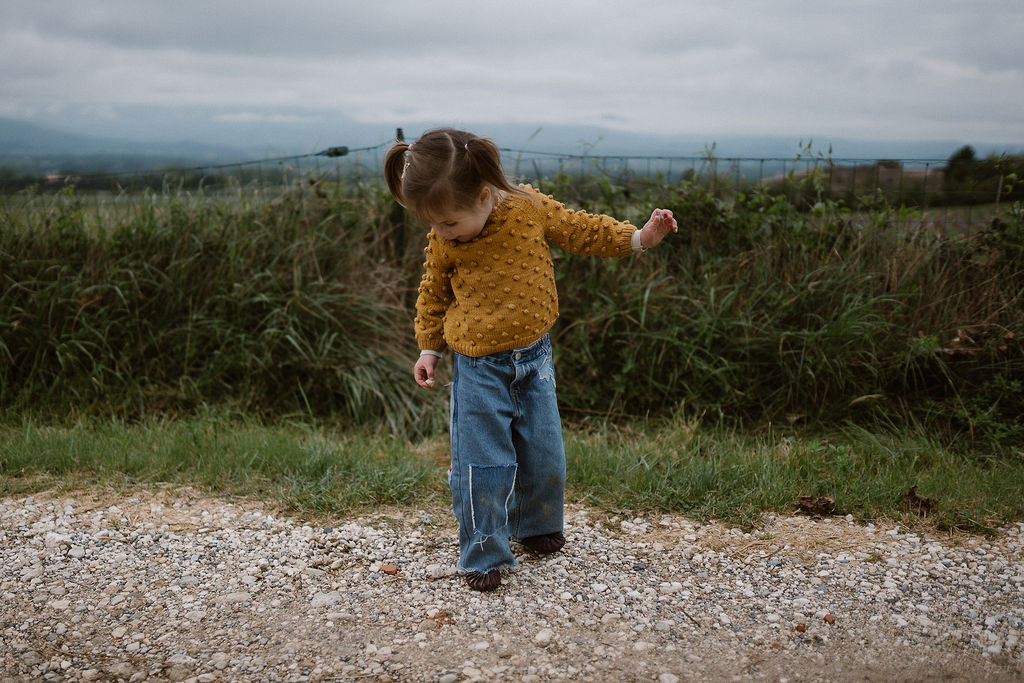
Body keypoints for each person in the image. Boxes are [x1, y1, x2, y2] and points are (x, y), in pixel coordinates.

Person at [384, 127, 677, 591]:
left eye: (449, 223)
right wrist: (428, 348)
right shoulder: (444, 243)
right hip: (478, 368)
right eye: (434, 225)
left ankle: (536, 524)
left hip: (535, 358)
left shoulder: (528, 208)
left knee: (544, 452)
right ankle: (483, 553)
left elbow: (581, 230)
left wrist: (639, 238)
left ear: (484, 196)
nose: (440, 233)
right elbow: (433, 295)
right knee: (484, 463)